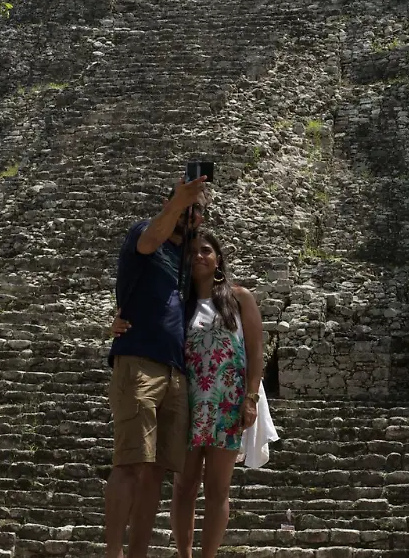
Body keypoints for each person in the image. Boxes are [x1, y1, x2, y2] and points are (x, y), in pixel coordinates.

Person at [112, 230, 265, 558]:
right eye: (192, 252)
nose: (198, 256)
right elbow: (151, 323)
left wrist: (250, 399)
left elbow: (255, 353)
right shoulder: (179, 303)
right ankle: (185, 554)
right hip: (188, 401)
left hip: (227, 402)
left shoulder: (240, 298)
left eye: (206, 250)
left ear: (218, 258)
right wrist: (120, 319)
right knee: (184, 487)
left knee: (217, 489)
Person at [103, 174, 208, 558]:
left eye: (198, 210)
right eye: (186, 206)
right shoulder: (143, 232)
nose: (192, 215)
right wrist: (177, 204)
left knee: (158, 472)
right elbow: (150, 242)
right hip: (140, 360)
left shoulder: (187, 260)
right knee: (130, 462)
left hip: (175, 371)